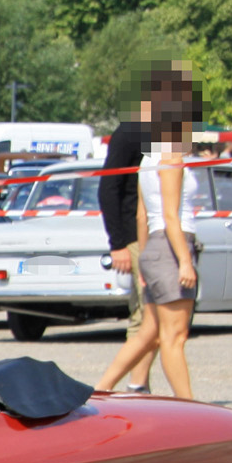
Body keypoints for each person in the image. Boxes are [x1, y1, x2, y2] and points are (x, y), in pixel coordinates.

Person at [97, 76, 203, 400]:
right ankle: (190, 407)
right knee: (175, 336)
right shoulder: (171, 156)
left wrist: (143, 260)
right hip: (172, 244)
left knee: (149, 331)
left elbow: (142, 216)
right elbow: (170, 216)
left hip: (153, 247)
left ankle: (99, 389)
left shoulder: (147, 158)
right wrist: (185, 259)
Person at [98, 80, 164, 391]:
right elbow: (108, 189)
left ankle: (140, 385)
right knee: (144, 315)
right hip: (134, 236)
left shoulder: (159, 137)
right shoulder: (128, 134)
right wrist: (118, 244)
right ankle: (123, 387)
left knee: (154, 314)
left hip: (154, 232)